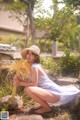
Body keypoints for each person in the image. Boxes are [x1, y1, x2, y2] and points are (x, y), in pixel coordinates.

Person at [13, 45, 80, 115]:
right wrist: (19, 80)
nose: (29, 56)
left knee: (28, 89)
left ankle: (47, 108)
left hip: (56, 95)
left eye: (32, 54)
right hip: (51, 94)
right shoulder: (33, 66)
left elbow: (34, 84)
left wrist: (20, 83)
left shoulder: (34, 67)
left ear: (36, 57)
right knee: (28, 88)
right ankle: (43, 105)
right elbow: (32, 82)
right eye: (28, 53)